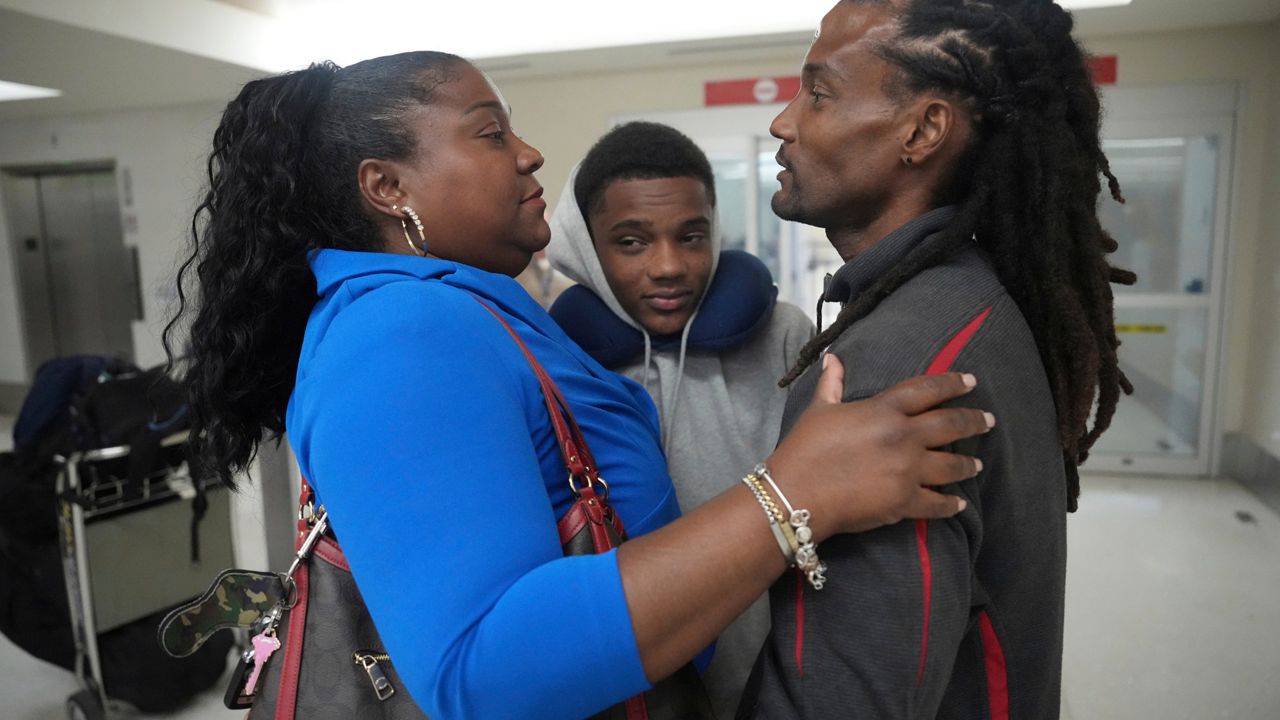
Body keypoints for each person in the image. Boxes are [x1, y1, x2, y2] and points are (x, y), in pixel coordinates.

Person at [167, 50, 994, 720]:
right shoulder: (404, 333)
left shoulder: (470, 314)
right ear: (388, 188)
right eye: (490, 134)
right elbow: (480, 668)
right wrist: (790, 497)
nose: (528, 154)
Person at [739, 1, 1136, 718]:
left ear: (922, 131)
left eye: (818, 92)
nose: (784, 121)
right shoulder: (972, 298)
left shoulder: (899, 369)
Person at [546, 121, 814, 716]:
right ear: (588, 246)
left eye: (691, 237)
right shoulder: (556, 363)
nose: (669, 266)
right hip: (632, 681)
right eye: (633, 242)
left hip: (776, 666)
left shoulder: (782, 334)